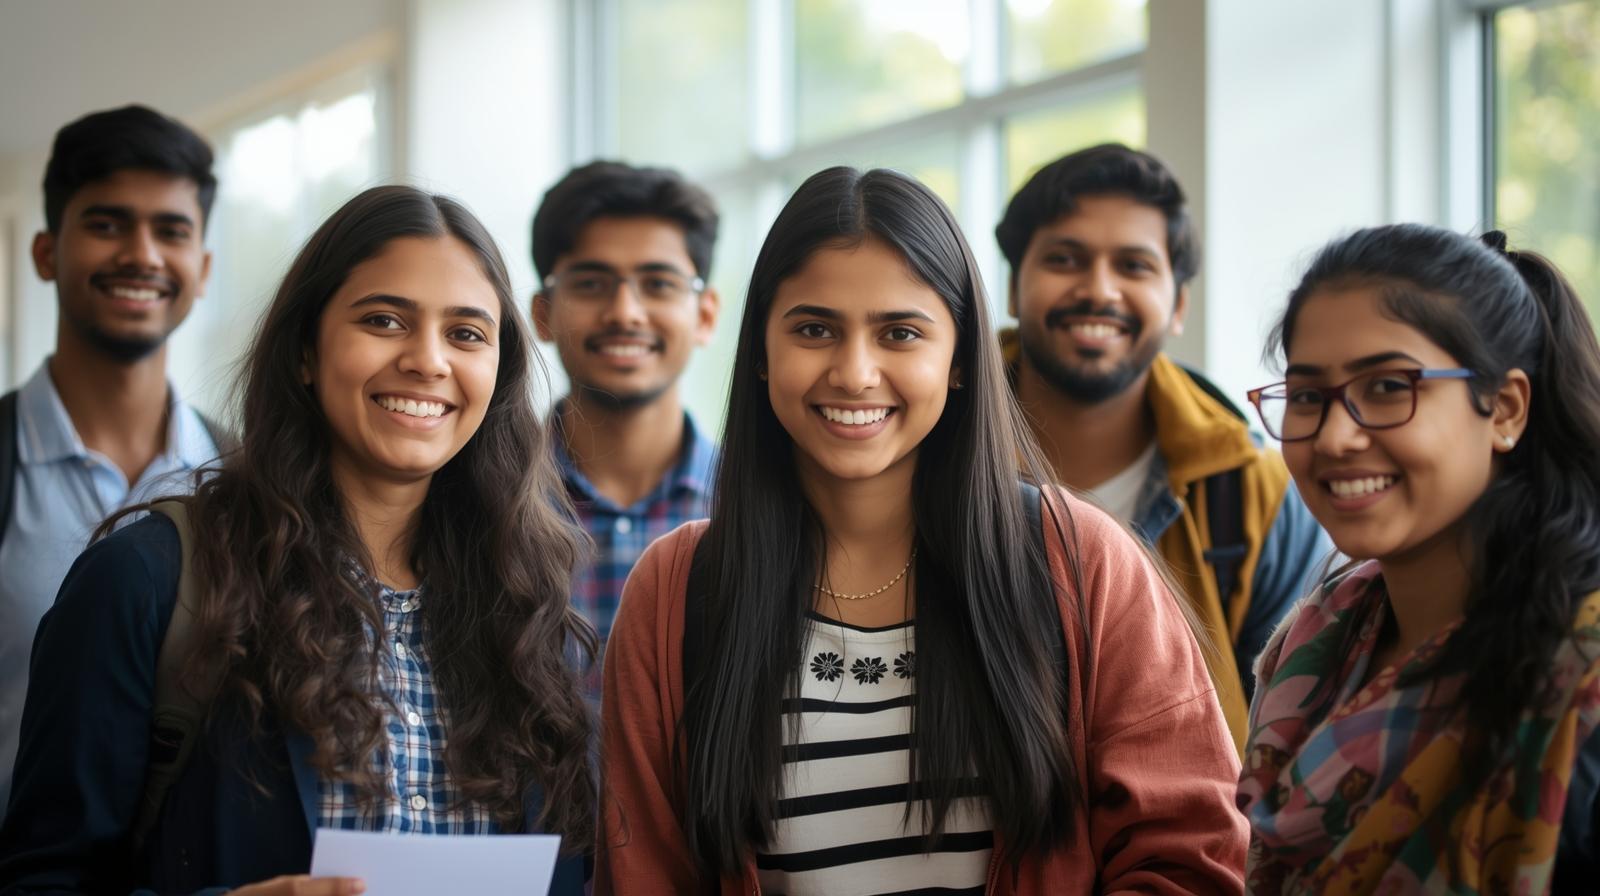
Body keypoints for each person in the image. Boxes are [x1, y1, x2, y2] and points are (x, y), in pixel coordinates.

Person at [598, 167, 1246, 895]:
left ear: (959, 359)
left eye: (900, 333)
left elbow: (1192, 858)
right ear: (759, 353)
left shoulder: (1081, 558)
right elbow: (644, 876)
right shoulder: (675, 589)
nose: (854, 373)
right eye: (814, 329)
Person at [0, 186, 591, 894]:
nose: (428, 360)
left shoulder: (525, 608)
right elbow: (42, 881)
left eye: (466, 334)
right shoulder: (147, 580)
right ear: (305, 351)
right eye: (384, 320)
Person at [1237, 225, 1600, 893]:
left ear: (1505, 410)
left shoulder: (1579, 668)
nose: (1336, 438)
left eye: (1386, 387)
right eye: (1309, 397)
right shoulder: (1314, 643)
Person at [994, 143, 1330, 749]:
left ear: (1178, 305)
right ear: (1016, 288)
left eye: (1133, 265)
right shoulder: (922, 449)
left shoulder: (1257, 493)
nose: (1099, 289)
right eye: (1065, 259)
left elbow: (1290, 742)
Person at [0, 105, 228, 813]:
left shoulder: (244, 478)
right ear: (46, 253)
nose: (143, 255)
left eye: (171, 231)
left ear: (202, 268)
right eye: (107, 224)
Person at [530, 161, 719, 695]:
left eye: (658, 284)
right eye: (591, 283)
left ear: (705, 315)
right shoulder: (479, 500)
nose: (625, 312)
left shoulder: (760, 503)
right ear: (543, 313)